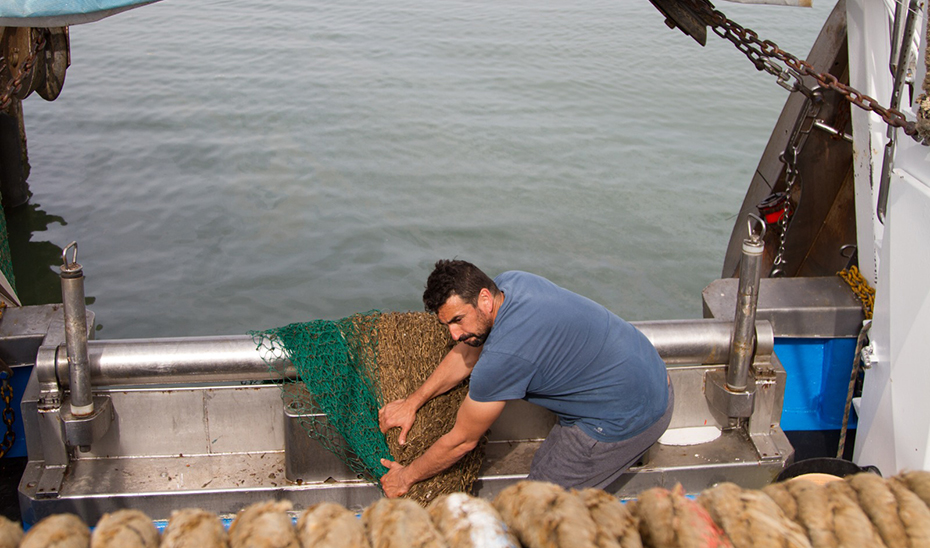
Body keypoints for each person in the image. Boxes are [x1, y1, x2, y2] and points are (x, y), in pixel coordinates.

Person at [378, 259, 672, 497]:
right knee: (544, 465)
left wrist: (406, 476)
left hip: (629, 416)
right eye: (447, 324)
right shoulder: (511, 283)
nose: (454, 334)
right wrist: (413, 402)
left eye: (458, 320)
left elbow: (462, 441)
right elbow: (467, 354)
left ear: (483, 299)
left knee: (535, 507)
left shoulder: (503, 358)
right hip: (650, 372)